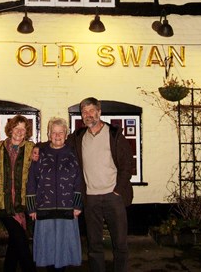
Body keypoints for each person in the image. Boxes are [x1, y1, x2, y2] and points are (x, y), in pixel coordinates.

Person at [67, 97, 134, 272]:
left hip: (114, 197)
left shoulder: (114, 134)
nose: (87, 115)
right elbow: (57, 144)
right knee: (94, 244)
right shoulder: (78, 136)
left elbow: (128, 164)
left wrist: (118, 190)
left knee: (120, 242)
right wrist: (38, 149)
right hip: (91, 198)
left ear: (99, 112)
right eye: (84, 112)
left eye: (91, 110)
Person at [26, 117, 83, 272]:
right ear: (49, 134)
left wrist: (78, 204)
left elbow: (79, 180)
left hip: (68, 208)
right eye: (54, 132)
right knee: (48, 250)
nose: (57, 136)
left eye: (61, 132)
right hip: (44, 209)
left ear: (66, 134)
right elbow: (32, 180)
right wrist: (31, 208)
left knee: (63, 251)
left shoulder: (73, 154)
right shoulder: (40, 154)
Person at [0, 115, 36, 272]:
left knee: (15, 242)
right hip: (2, 202)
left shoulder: (32, 149)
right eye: (16, 128)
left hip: (21, 203)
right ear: (10, 129)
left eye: (23, 129)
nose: (19, 132)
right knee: (21, 241)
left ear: (26, 132)